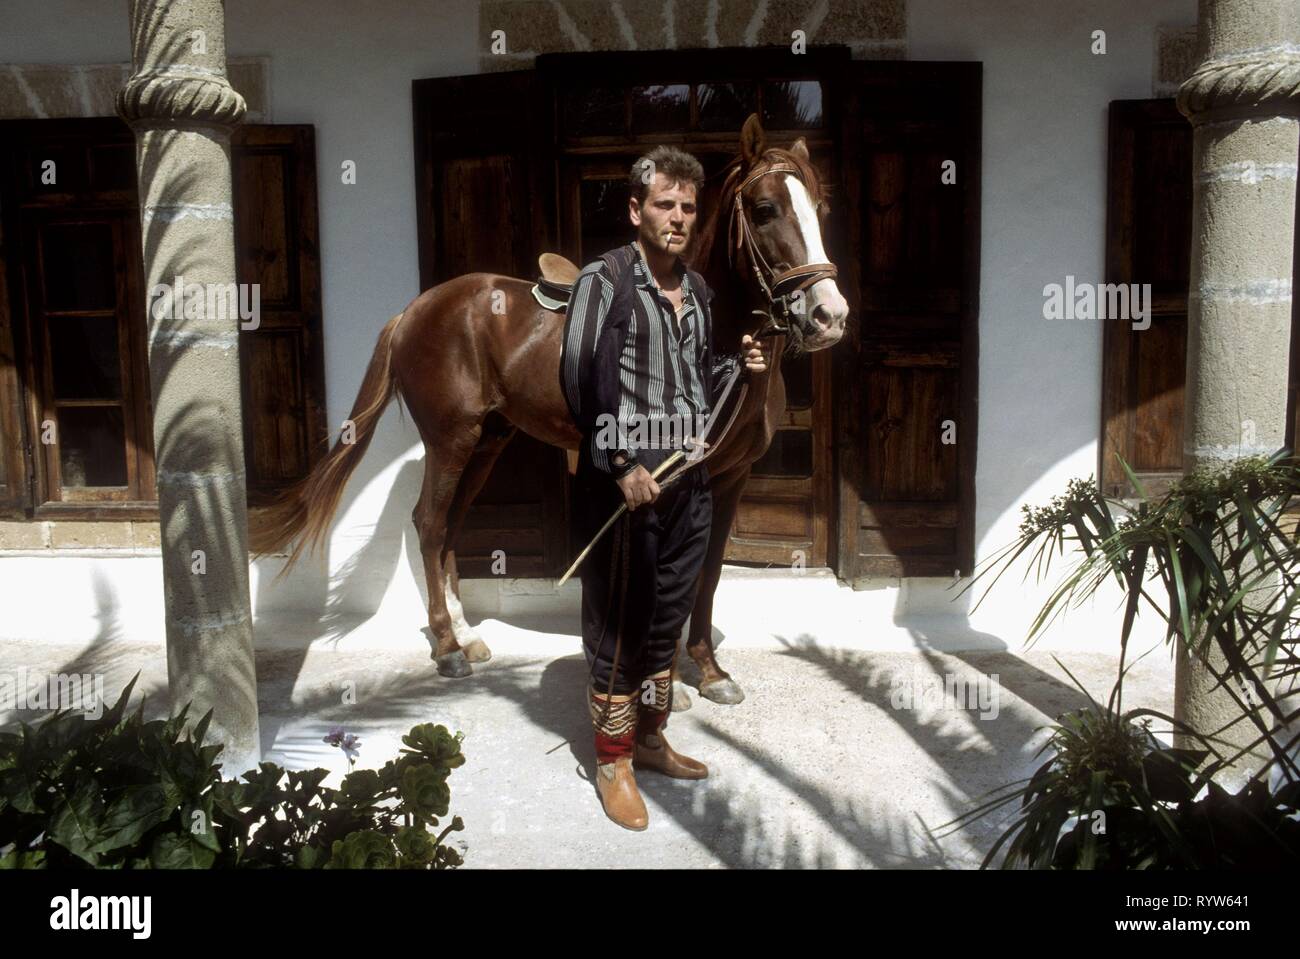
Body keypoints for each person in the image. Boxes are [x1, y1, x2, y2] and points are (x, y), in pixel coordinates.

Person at [560, 145, 768, 830]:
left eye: (687, 207)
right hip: (628, 488)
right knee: (620, 623)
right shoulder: (606, 280)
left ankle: (649, 739)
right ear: (635, 208)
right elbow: (582, 377)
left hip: (688, 484)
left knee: (666, 618)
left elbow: (697, 381)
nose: (677, 218)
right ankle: (612, 759)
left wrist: (740, 363)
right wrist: (621, 464)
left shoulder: (700, 291)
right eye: (663, 204)